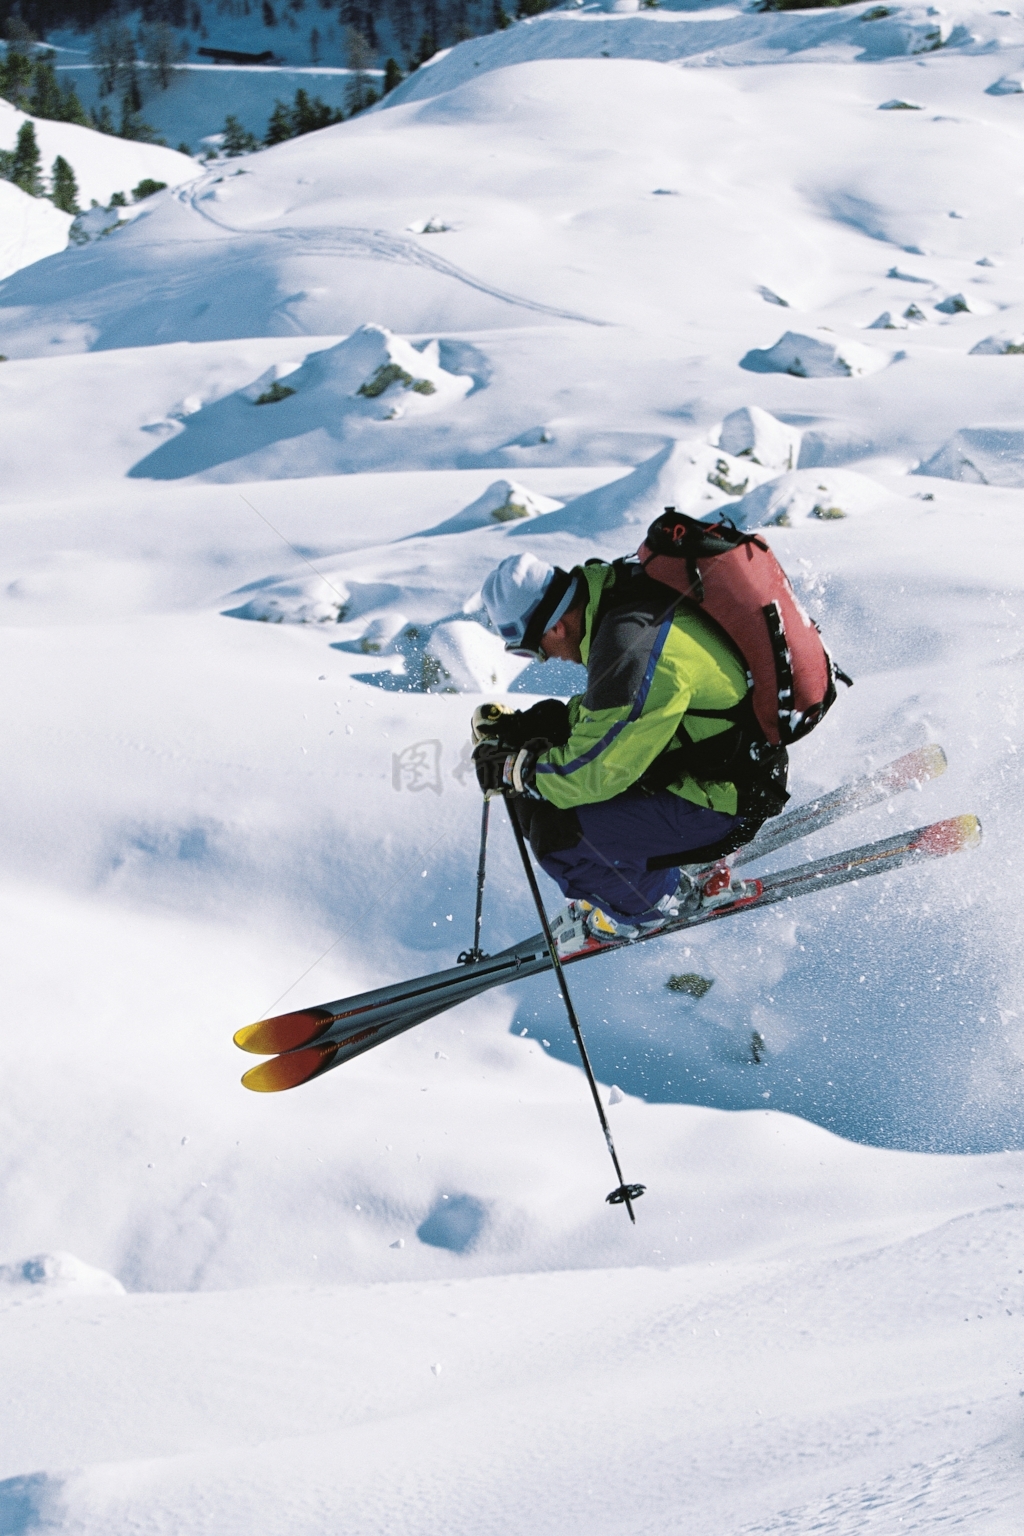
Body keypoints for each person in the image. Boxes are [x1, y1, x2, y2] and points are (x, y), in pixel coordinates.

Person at [471, 551, 789, 950]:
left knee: (559, 839)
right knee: (539, 792)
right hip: (716, 764)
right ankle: (639, 874)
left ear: (554, 627)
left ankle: (658, 904)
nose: (543, 658)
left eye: (530, 650)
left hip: (722, 799)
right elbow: (612, 716)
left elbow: (598, 770)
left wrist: (517, 770)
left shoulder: (628, 646)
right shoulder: (618, 604)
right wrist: (526, 730)